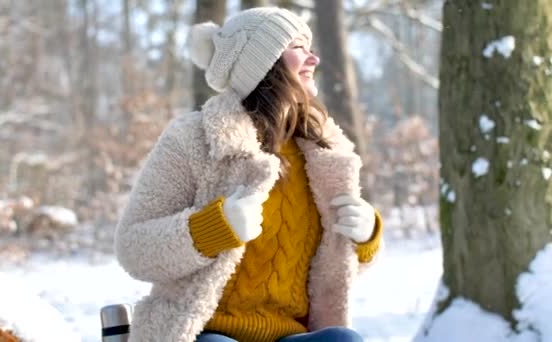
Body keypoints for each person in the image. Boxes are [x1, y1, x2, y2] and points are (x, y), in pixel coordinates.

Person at [114, 6, 383, 342]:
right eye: (299, 47)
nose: (313, 59)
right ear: (262, 61)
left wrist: (365, 239)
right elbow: (133, 247)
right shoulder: (193, 139)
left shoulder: (325, 151)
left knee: (344, 341)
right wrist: (214, 228)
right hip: (204, 332)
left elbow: (327, 274)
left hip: (290, 335)